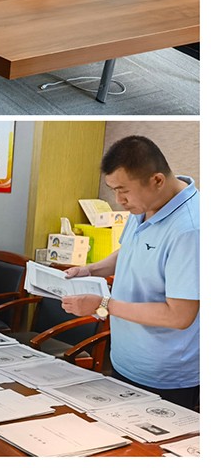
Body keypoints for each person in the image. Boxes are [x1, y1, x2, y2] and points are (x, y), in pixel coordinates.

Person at [61, 135, 199, 410]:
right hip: (125, 360)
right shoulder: (144, 206)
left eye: (123, 190)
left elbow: (179, 315)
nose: (118, 200)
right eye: (113, 190)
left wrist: (103, 304)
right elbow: (130, 252)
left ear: (157, 180)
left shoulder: (190, 230)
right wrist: (90, 269)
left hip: (165, 376)